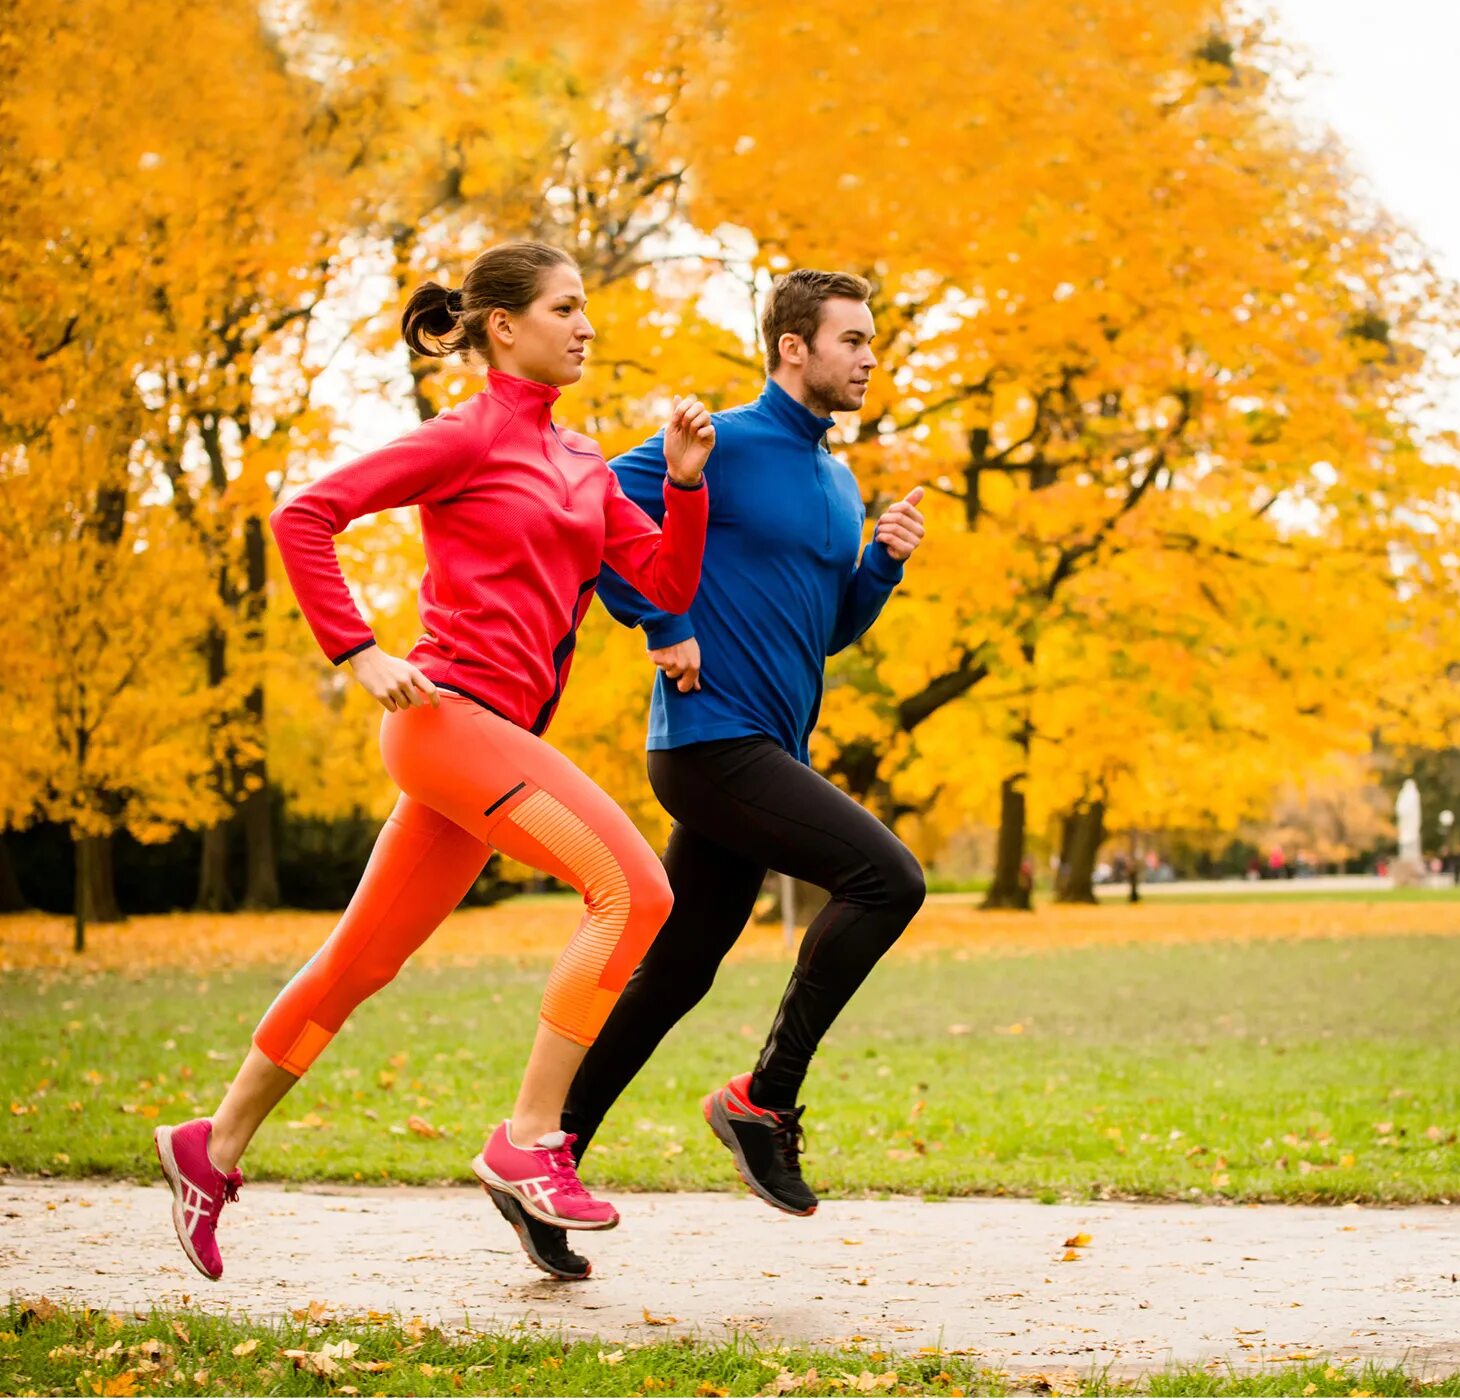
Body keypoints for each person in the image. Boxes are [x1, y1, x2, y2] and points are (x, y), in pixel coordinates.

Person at [152, 241, 715, 1282]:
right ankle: (530, 1138)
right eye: (565, 308)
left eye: (587, 309)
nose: (587, 325)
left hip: (495, 744)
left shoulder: (587, 463)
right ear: (504, 325)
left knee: (361, 959)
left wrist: (683, 484)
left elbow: (666, 582)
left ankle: (212, 1144)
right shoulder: (462, 438)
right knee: (635, 889)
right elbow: (304, 515)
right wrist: (357, 650)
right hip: (443, 718)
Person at [489, 269, 928, 1281]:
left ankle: (542, 1157)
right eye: (851, 340)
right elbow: (597, 517)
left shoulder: (834, 478)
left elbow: (829, 634)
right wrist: (665, 621)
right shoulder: (722, 440)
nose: (867, 358)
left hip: (765, 743)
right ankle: (763, 1099)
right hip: (709, 741)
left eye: (871, 342)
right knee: (887, 877)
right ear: (792, 348)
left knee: (678, 969)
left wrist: (880, 568)